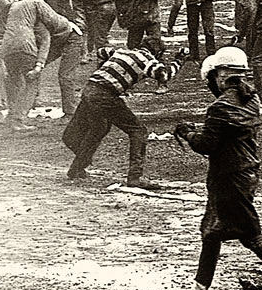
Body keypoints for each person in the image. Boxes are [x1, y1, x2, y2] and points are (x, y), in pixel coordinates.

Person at [176, 47, 262, 290]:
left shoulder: (219, 106)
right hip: (245, 170)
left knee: (249, 233)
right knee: (211, 230)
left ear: (221, 75)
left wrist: (188, 133)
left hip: (228, 175)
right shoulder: (251, 99)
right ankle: (201, 286)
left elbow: (206, 145)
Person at [62, 45, 183, 189]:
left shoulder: (122, 50)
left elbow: (101, 51)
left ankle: (76, 168)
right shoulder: (148, 60)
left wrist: (103, 70)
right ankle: (135, 177)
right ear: (157, 53)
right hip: (105, 95)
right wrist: (179, 60)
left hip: (90, 87)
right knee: (138, 131)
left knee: (98, 128)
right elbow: (164, 75)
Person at [1, 0, 80, 133]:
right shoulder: (37, 5)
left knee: (15, 80)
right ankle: (18, 119)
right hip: (27, 45)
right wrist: (39, 65)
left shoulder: (15, 6)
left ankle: (12, 114)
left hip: (8, 46)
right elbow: (53, 28)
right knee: (33, 81)